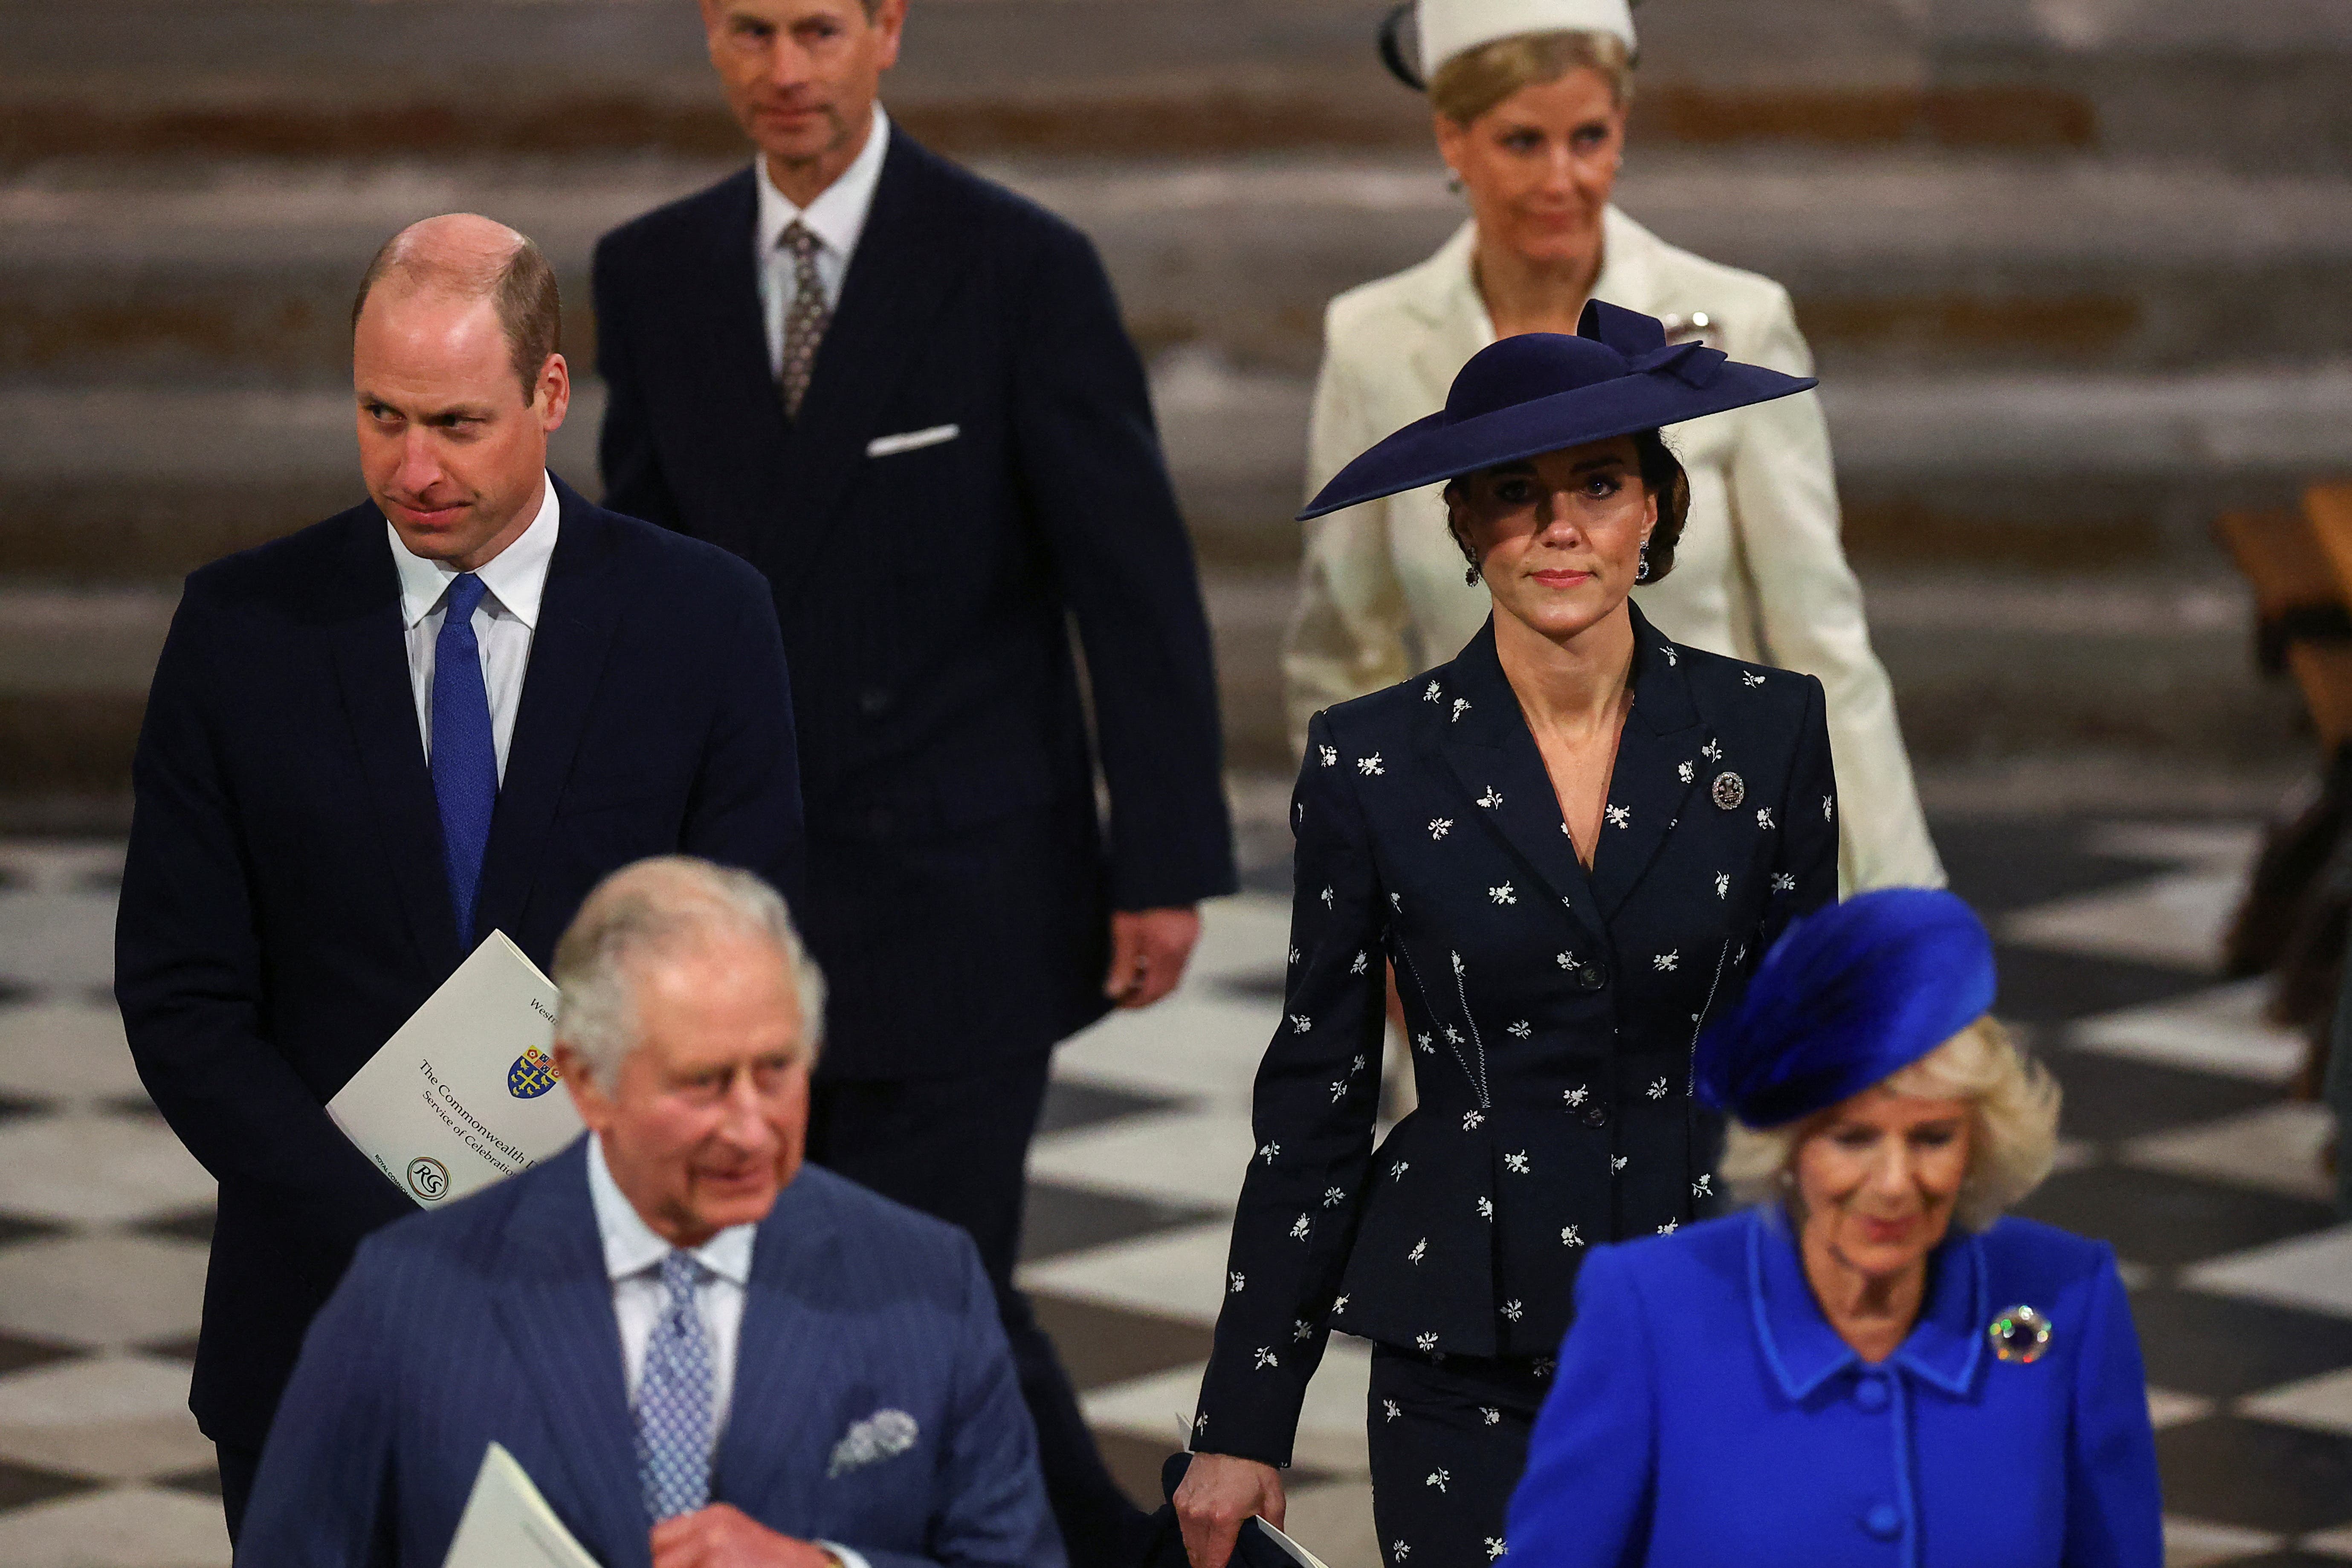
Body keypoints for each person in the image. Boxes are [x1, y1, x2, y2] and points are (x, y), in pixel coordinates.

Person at [591, 3, 1237, 1558]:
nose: (785, 66)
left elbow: (1126, 580)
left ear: (888, 29)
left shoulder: (1017, 265)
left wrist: (1159, 855)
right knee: (831, 1280)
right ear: (708, 35)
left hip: (966, 893)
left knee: (922, 1273)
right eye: (750, 28)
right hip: (751, 903)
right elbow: (642, 590)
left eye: (819, 24)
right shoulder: (653, 272)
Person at [113, 215, 804, 1539]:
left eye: (455, 421)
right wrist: (393, 1240)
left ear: (549, 393)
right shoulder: (242, 630)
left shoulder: (703, 622)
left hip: (612, 1332)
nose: (412, 466)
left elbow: (747, 970)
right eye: (379, 415)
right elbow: (184, 1000)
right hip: (317, 1333)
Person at [1176, 304, 1841, 1568]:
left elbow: (1812, 1073)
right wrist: (1241, 1416)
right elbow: (1316, 1096)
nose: (1557, 525)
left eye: (1598, 482)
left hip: (1721, 1316)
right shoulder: (1370, 761)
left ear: (1654, 506)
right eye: (1512, 491)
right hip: (1465, 1347)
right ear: (1464, 520)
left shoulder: (1767, 732)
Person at [238, 857, 1062, 1568]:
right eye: (702, 1082)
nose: (750, 1126)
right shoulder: (408, 1299)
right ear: (587, 1080)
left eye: (775, 1070)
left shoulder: (925, 1279)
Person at [1286, 0, 1940, 894]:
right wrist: (1374, 896)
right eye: (1523, 142)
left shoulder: (1735, 322)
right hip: (1480, 880)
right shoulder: (1373, 341)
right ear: (1453, 139)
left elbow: (1820, 642)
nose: (1563, 178)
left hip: (1721, 866)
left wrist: (1902, 919)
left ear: (1621, 131)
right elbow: (1343, 654)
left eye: (1588, 137)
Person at [1505, 888, 2164, 1566]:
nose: (1893, 1184)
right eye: (1852, 1139)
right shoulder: (1647, 1308)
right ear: (1787, 1145)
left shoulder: (2068, 1298)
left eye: (1933, 1138)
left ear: (1981, 1142)